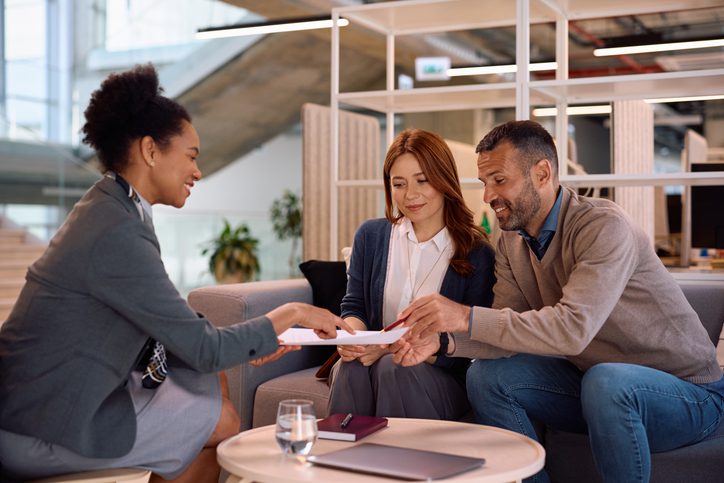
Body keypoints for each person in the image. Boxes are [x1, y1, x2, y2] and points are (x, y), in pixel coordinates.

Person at [0, 64, 352, 483]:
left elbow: (180, 331)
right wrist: (289, 314)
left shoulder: (113, 207)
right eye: (191, 156)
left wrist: (256, 339)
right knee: (220, 422)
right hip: (47, 423)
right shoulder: (115, 231)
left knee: (214, 389)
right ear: (151, 151)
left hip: (51, 401)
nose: (197, 172)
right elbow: (202, 348)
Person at [391, 120, 724, 482]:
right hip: (596, 388)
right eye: (484, 183)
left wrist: (464, 316)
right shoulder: (512, 242)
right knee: (487, 376)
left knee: (607, 380)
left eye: (499, 180)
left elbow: (572, 330)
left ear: (542, 173)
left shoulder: (602, 226)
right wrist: (443, 340)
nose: (487, 196)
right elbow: (505, 329)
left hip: (689, 395)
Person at [327, 128, 495, 420]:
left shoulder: (476, 251)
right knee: (349, 365)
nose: (411, 195)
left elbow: (473, 345)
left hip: (438, 374)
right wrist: (351, 337)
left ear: (444, 180)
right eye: (399, 184)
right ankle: (336, 457)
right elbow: (354, 309)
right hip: (376, 362)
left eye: (422, 180)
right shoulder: (371, 235)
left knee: (394, 366)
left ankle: (398, 463)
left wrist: (396, 350)